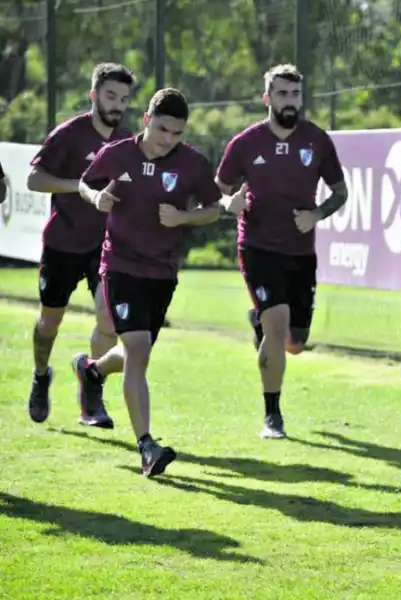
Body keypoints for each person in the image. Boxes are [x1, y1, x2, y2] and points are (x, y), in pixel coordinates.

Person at [72, 88, 232, 477]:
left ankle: (92, 371)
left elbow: (213, 209)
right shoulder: (118, 154)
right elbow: (85, 183)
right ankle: (147, 446)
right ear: (146, 120)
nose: (167, 139)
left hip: (162, 273)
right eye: (162, 129)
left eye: (176, 133)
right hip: (120, 266)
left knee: (135, 355)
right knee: (138, 349)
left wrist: (183, 218)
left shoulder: (192, 162)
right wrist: (96, 198)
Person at [217, 64, 348, 440]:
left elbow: (340, 192)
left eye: (295, 94)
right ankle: (272, 416)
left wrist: (316, 214)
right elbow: (218, 189)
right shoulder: (246, 143)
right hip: (258, 247)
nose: (290, 101)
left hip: (300, 252)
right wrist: (230, 203)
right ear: (267, 98)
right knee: (277, 326)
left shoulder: (317, 140)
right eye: (282, 94)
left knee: (294, 343)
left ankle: (259, 323)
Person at [24, 63, 135, 427]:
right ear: (93, 95)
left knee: (109, 321)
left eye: (123, 99)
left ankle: (92, 392)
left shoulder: (128, 140)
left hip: (106, 246)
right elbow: (34, 179)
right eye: (110, 96)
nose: (117, 105)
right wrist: (80, 187)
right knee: (49, 323)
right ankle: (41, 375)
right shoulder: (69, 134)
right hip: (63, 243)